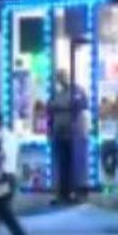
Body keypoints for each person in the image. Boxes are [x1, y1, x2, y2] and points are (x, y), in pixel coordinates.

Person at [48, 70, 81, 205]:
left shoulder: (76, 91)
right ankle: (62, 193)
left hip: (72, 134)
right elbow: (49, 107)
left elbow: (79, 105)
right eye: (59, 77)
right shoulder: (57, 94)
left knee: (72, 164)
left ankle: (74, 192)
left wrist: (59, 107)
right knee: (61, 164)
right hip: (59, 133)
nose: (61, 80)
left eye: (63, 77)